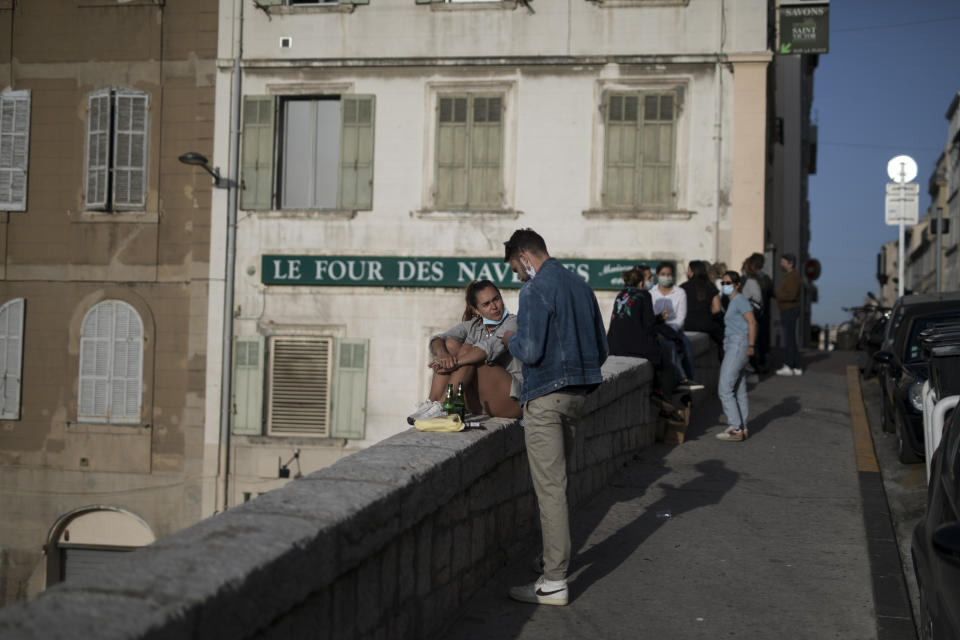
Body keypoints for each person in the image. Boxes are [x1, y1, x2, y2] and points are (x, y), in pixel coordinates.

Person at [500, 228, 608, 607]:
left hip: (546, 397)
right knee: (559, 484)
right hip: (578, 395)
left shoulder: (534, 290)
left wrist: (508, 339)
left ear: (525, 258)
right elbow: (603, 348)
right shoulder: (580, 286)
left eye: (516, 268)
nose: (518, 276)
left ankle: (554, 581)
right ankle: (552, 559)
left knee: (549, 489)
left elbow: (528, 350)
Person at [406, 280, 522, 424]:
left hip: (512, 400)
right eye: (486, 304)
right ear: (476, 311)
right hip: (481, 402)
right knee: (449, 344)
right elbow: (436, 339)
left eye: (496, 299)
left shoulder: (513, 322)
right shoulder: (473, 325)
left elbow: (487, 348)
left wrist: (455, 363)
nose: (494, 307)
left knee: (469, 351)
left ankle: (443, 405)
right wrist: (443, 356)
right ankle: (432, 403)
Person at [607, 266, 676, 397]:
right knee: (666, 363)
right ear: (640, 282)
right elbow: (648, 325)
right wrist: (660, 320)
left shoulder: (621, 295)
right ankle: (662, 396)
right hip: (634, 346)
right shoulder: (644, 295)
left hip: (614, 346)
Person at [715, 271, 758, 441]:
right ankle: (743, 427)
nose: (725, 286)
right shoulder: (733, 301)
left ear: (737, 284)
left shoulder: (739, 299)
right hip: (735, 344)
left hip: (738, 345)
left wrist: (751, 345)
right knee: (739, 389)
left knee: (725, 388)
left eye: (728, 283)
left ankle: (735, 428)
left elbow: (752, 322)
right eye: (723, 283)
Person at [650, 262, 702, 391]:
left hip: (674, 330)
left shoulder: (680, 292)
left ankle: (688, 380)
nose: (666, 277)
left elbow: (680, 318)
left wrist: (669, 332)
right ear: (657, 275)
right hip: (657, 331)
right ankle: (680, 379)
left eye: (669, 274)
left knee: (686, 348)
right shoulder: (651, 293)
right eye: (663, 274)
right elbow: (651, 317)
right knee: (670, 348)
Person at [680, 260, 723, 350]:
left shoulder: (683, 287)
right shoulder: (710, 286)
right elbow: (717, 308)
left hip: (686, 324)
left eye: (688, 270)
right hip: (705, 324)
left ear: (692, 272)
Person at [775, 253, 802, 376]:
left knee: (789, 339)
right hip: (789, 309)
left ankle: (790, 365)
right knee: (791, 338)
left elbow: (791, 295)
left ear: (790, 263)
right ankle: (796, 366)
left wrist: (777, 295)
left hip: (789, 310)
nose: (781, 263)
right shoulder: (791, 276)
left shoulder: (793, 277)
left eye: (783, 261)